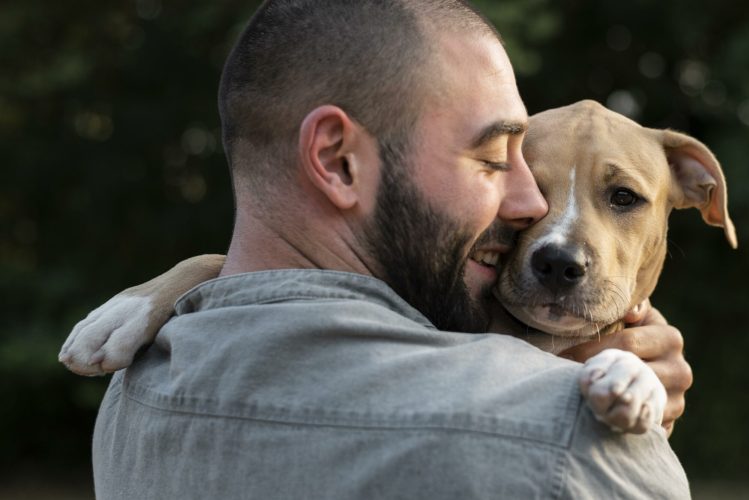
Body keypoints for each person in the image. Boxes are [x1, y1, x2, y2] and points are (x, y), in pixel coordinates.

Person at [90, 0, 692, 498]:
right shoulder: (563, 443)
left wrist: (197, 281)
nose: (530, 206)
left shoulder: (136, 385)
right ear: (337, 160)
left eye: (621, 198)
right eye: (491, 159)